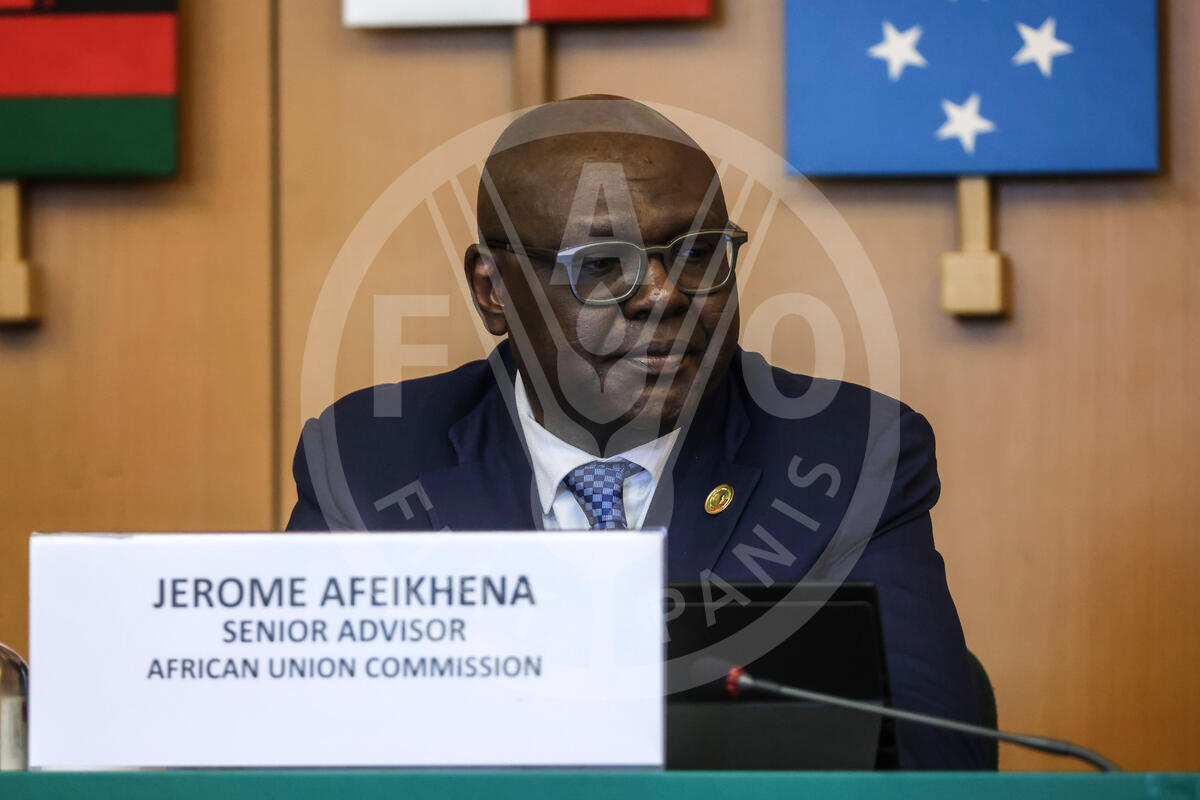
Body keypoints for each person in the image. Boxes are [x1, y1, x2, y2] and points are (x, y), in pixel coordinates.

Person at [286, 95, 989, 769]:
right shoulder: (369, 462)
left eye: (698, 252)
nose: (663, 293)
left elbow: (931, 755)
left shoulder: (845, 456)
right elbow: (292, 742)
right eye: (600, 264)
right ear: (492, 289)